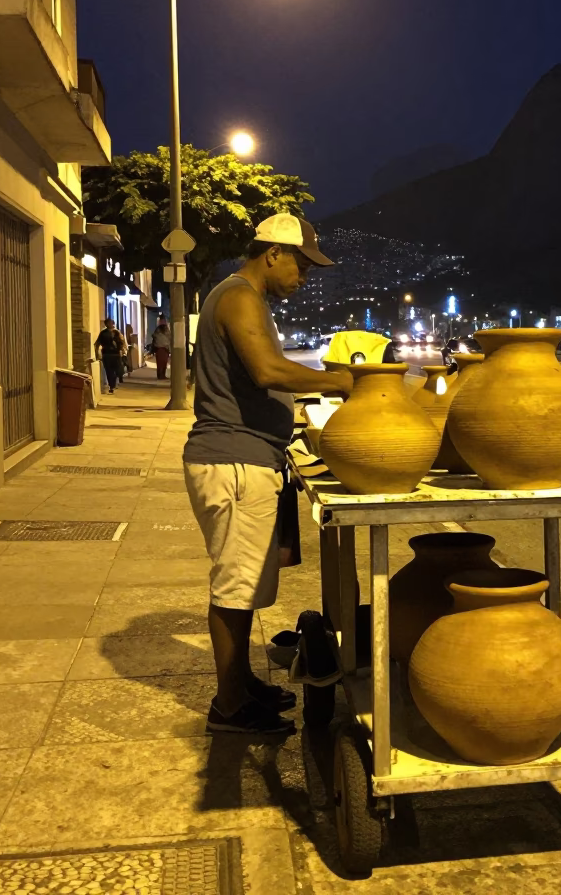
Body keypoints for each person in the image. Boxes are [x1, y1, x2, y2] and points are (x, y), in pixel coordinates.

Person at [183, 214, 352, 735]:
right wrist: (341, 380)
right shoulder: (239, 297)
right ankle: (229, 709)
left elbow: (256, 382)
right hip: (233, 462)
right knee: (234, 590)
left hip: (245, 455)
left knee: (248, 584)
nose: (303, 276)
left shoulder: (243, 299)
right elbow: (267, 371)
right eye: (300, 264)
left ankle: (242, 685)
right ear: (273, 253)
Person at [94, 318, 127, 394]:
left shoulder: (117, 333)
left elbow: (122, 343)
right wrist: (97, 353)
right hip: (107, 354)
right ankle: (111, 386)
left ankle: (114, 383)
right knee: (109, 371)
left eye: (111, 323)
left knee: (117, 370)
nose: (110, 324)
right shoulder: (103, 333)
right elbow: (97, 343)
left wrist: (123, 352)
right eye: (108, 323)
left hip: (116, 354)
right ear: (106, 324)